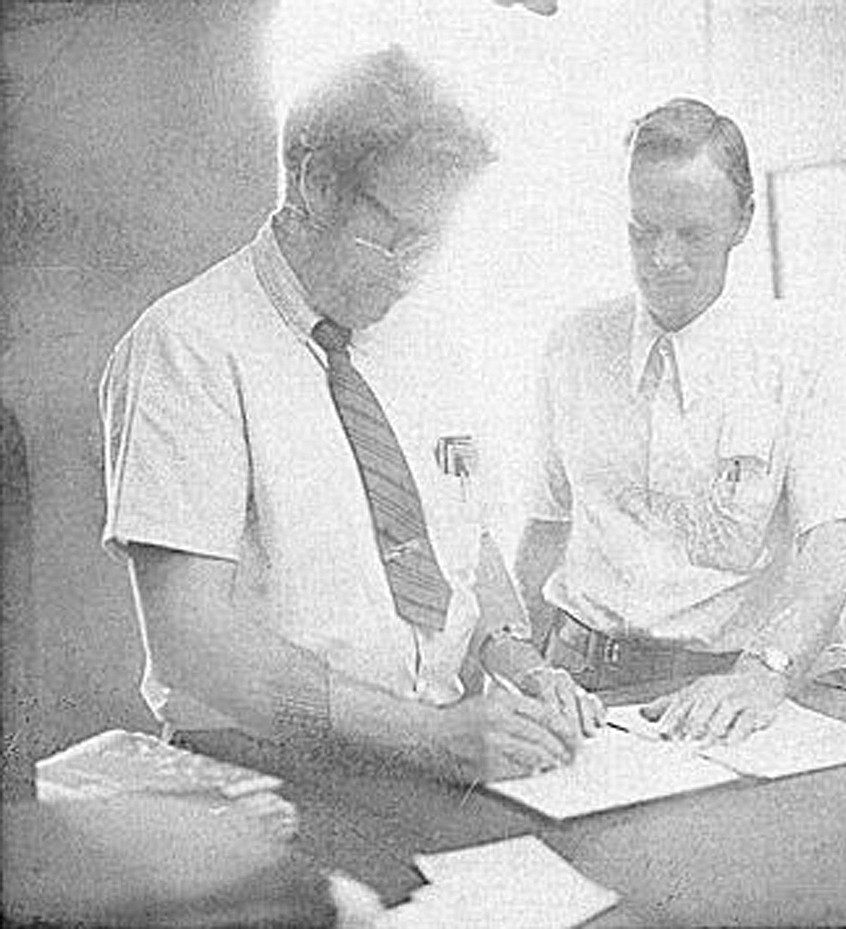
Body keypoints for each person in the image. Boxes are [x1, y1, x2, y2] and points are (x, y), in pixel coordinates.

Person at [99, 47, 601, 787]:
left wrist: (517, 656)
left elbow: (465, 536)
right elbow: (191, 638)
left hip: (427, 752)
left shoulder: (425, 335)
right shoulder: (188, 345)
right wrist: (426, 736)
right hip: (266, 770)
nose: (410, 271)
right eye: (397, 235)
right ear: (315, 183)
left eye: (433, 242)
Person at [515, 98, 846, 745]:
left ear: (743, 219)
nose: (663, 258)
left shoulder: (803, 354)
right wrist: (515, 668)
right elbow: (544, 528)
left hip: (723, 692)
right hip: (577, 678)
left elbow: (831, 547)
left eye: (691, 233)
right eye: (642, 231)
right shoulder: (573, 344)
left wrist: (767, 672)